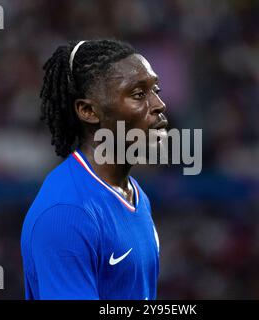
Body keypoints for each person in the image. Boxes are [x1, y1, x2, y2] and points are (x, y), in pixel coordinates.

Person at [21, 39, 167, 299]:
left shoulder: (135, 195)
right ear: (88, 110)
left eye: (155, 89)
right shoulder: (67, 213)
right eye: (138, 94)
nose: (158, 104)